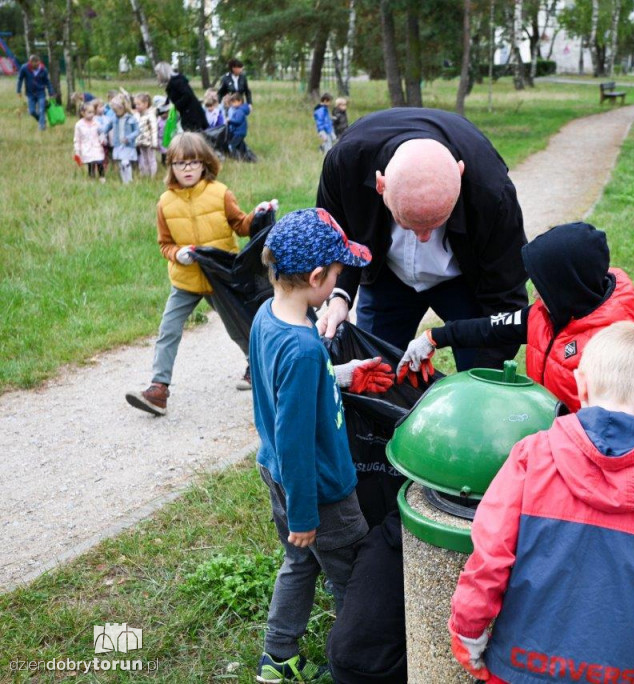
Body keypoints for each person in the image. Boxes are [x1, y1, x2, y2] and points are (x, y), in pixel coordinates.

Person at [449, 321, 634, 684]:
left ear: (581, 382)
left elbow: (489, 557)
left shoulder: (532, 457)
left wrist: (469, 631)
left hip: (520, 668)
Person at [250, 207, 395, 683]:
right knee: (352, 578)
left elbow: (284, 394)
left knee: (299, 562)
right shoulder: (304, 347)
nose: (338, 280)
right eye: (335, 273)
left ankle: (278, 655)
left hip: (277, 476)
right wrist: (307, 515)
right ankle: (353, 661)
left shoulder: (267, 317)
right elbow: (296, 440)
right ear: (316, 277)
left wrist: (340, 376)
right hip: (322, 491)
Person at [316, 107, 529, 371]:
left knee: (480, 374)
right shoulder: (346, 163)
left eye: (436, 223)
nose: (425, 238)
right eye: (409, 224)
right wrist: (340, 296)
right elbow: (335, 236)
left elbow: (506, 297)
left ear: (460, 176)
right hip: (387, 276)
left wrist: (481, 381)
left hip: (464, 282)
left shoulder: (492, 192)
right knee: (374, 371)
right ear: (381, 185)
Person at [396, 222, 634, 411]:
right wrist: (433, 338)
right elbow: (492, 328)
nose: (534, 294)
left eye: (542, 287)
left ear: (568, 287)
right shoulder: (545, 314)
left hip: (583, 447)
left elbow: (614, 424)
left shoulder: (612, 345)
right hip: (549, 426)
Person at [125, 132, 274, 416]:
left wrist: (259, 213)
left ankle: (257, 368)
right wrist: (176, 253)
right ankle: (158, 389)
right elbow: (164, 244)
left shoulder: (220, 193)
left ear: (205, 163)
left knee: (239, 327)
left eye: (193, 163)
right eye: (180, 164)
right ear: (171, 167)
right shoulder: (165, 202)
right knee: (168, 329)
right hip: (186, 279)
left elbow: (241, 225)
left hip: (221, 277)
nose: (188, 169)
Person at [155, 61, 207, 133]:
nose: (157, 76)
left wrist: (174, 106)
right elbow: (171, 98)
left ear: (162, 73)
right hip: (186, 114)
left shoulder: (177, 82)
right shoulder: (172, 83)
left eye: (157, 74)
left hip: (192, 115)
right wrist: (162, 108)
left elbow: (187, 95)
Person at [101, 95, 139, 184]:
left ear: (123, 107)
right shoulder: (114, 118)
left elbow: (137, 131)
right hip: (118, 144)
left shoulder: (131, 118)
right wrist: (102, 132)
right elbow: (108, 126)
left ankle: (129, 180)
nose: (114, 112)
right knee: (120, 163)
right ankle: (124, 180)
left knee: (125, 162)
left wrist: (129, 137)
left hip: (128, 144)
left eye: (116, 110)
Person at [16, 54, 55, 131]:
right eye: (34, 64)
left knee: (41, 110)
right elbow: (20, 79)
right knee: (31, 111)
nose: (36, 65)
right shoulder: (24, 68)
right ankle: (42, 121)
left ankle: (42, 127)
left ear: (39, 62)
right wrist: (18, 90)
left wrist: (51, 93)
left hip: (41, 93)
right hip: (30, 94)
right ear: (30, 62)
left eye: (38, 64)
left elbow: (47, 82)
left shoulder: (43, 69)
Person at [73, 103, 106, 182]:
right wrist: (77, 150)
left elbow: (101, 133)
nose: (92, 115)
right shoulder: (79, 125)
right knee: (91, 163)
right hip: (86, 147)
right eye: (89, 112)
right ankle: (92, 178)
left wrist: (103, 140)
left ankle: (102, 177)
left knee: (99, 161)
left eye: (93, 112)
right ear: (83, 113)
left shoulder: (97, 123)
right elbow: (77, 139)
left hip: (97, 146)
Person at [134, 92, 159, 179]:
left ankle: (152, 175)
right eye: (135, 104)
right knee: (143, 158)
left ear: (145, 104)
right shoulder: (137, 116)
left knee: (151, 158)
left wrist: (154, 142)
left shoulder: (150, 115)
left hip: (149, 141)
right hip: (141, 141)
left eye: (138, 104)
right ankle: (144, 173)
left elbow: (154, 129)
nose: (137, 106)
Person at [225, 92, 251, 160]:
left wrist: (229, 120)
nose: (233, 104)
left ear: (240, 101)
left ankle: (235, 158)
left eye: (234, 102)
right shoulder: (239, 110)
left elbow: (238, 121)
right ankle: (245, 157)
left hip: (238, 133)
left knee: (231, 145)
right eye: (232, 102)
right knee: (240, 146)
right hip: (240, 132)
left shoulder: (240, 111)